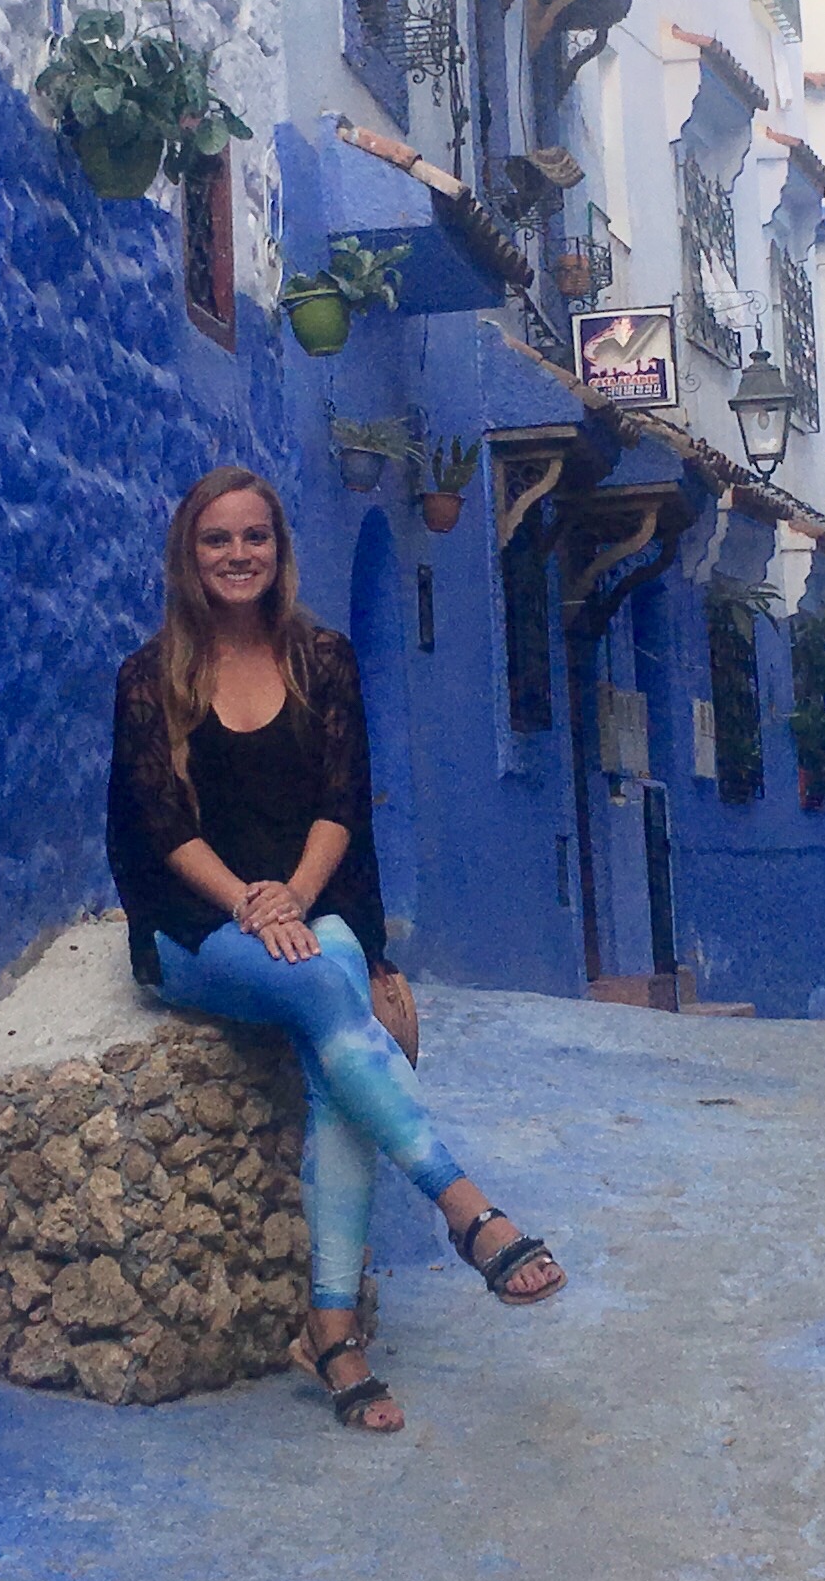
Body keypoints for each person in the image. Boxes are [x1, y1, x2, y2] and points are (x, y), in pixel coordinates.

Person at [106, 466, 563, 1434]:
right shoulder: (150, 677)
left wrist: (298, 900)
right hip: (197, 923)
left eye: (255, 537)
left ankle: (332, 1330)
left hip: (311, 905)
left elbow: (341, 806)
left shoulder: (323, 658)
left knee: (331, 1007)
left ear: (280, 550)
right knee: (321, 978)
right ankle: (467, 1209)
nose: (238, 555)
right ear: (190, 556)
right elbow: (163, 826)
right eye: (217, 540)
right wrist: (253, 908)